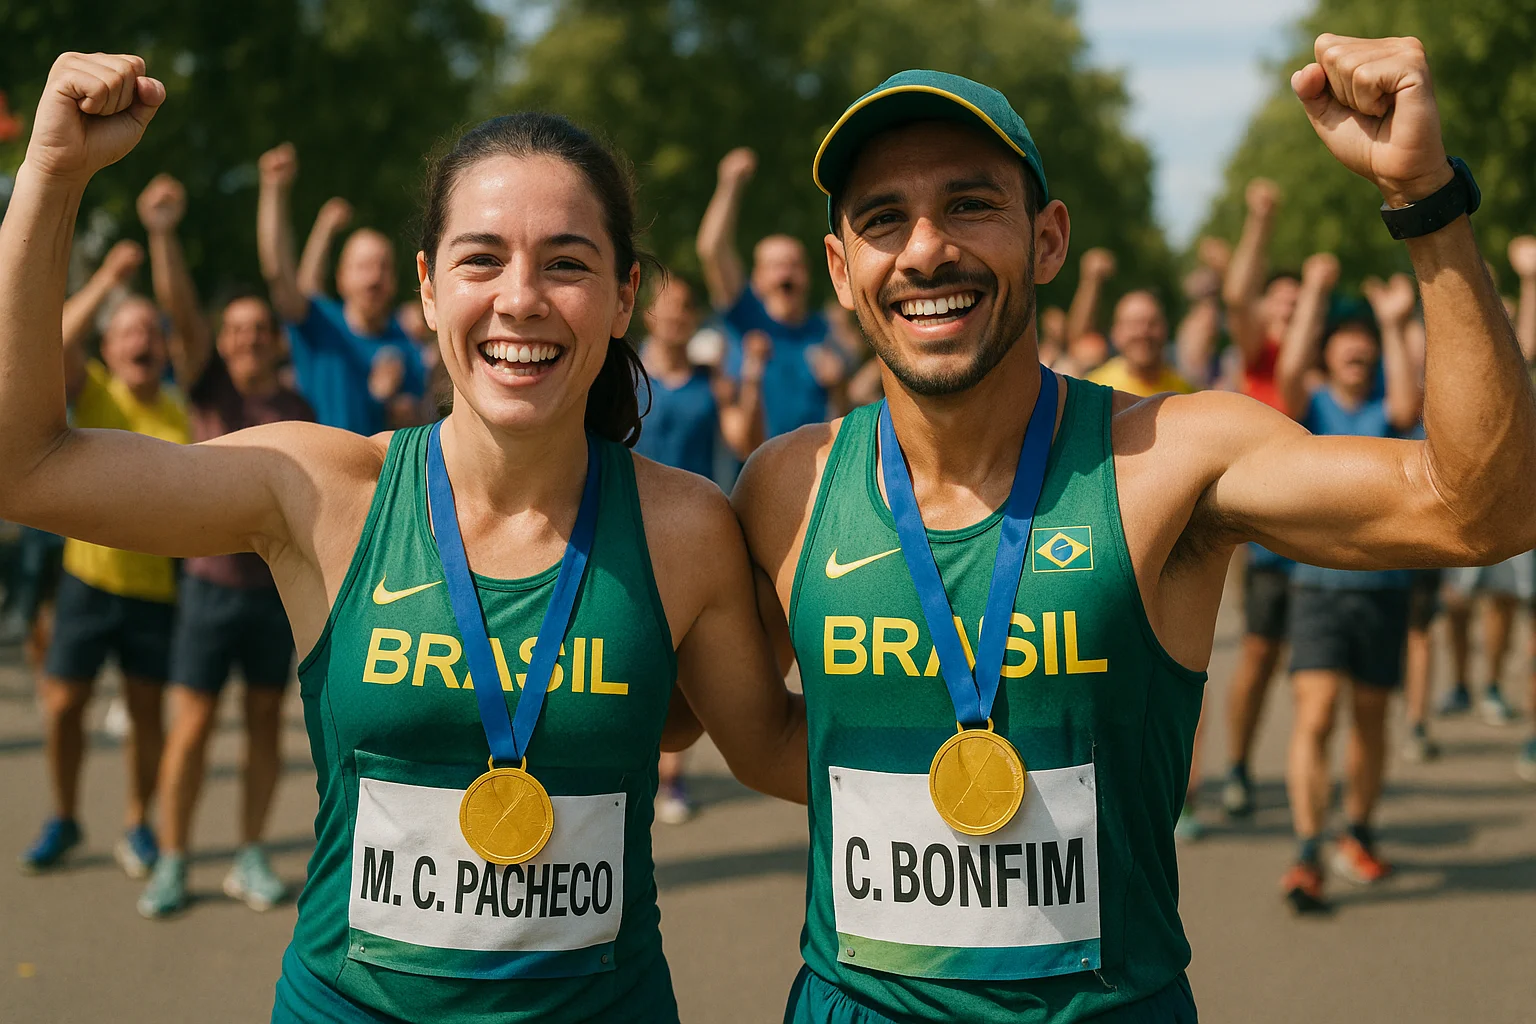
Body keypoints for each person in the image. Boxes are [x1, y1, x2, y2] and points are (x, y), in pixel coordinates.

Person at [735, 36, 1536, 1022]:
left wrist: (1428, 204)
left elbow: (1483, 507)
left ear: (1049, 240)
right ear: (842, 269)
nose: (926, 248)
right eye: (882, 219)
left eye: (971, 204)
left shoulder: (1172, 457)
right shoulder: (790, 485)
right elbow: (757, 732)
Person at [1, 54, 807, 1022]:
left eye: (566, 262)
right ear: (427, 287)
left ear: (624, 295)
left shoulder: (682, 527)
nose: (520, 298)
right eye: (481, 258)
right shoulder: (325, 489)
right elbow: (27, 466)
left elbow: (766, 747)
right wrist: (51, 172)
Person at [129, 174, 318, 919]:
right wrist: (163, 233)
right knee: (195, 727)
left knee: (268, 726)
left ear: (273, 340)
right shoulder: (210, 387)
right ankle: (173, 861)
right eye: (233, 329)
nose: (245, 338)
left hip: (273, 597)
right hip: (208, 590)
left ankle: (248, 854)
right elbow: (178, 311)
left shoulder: (298, 406)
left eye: (256, 329)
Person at [19, 174, 199, 878]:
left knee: (147, 714)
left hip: (154, 589)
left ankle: (137, 824)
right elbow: (54, 336)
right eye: (127, 333)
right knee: (63, 704)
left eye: (150, 333)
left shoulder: (182, 411)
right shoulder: (93, 390)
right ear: (111, 346)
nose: (141, 342)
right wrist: (108, 280)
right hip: (87, 581)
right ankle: (63, 816)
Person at [1275, 255, 1423, 912]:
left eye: (1367, 343)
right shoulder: (1314, 409)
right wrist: (1314, 295)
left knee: (1370, 718)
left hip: (1385, 588)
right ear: (1329, 353)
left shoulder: (1393, 404)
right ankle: (1308, 850)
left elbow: (1407, 402)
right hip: (1317, 586)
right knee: (1317, 713)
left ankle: (1357, 831)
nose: (1357, 348)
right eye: (1347, 340)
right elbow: (1285, 373)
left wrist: (1394, 322)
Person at [636, 274, 770, 824]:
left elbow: (744, 439)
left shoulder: (710, 380)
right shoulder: (620, 375)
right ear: (647, 315)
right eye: (667, 308)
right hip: (627, 521)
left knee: (676, 653)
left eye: (686, 307)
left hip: (687, 533)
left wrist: (753, 377)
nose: (676, 317)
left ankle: (671, 778)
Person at [256, 144, 426, 435]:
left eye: (383, 267)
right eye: (362, 267)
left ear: (395, 281)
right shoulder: (318, 323)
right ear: (341, 279)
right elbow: (277, 271)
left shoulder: (407, 347)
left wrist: (391, 405)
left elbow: (416, 429)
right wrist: (274, 190)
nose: (374, 278)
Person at [696, 146, 846, 437]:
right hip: (754, 471)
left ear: (808, 275)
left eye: (794, 265)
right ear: (757, 278)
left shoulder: (823, 331)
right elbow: (712, 250)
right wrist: (730, 183)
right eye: (776, 266)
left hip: (817, 472)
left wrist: (839, 385)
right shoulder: (745, 316)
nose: (786, 274)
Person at [1086, 289, 1195, 396]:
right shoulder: (1094, 391)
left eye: (1152, 323)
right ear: (1115, 332)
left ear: (1165, 329)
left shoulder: (1185, 392)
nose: (1143, 333)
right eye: (1133, 324)